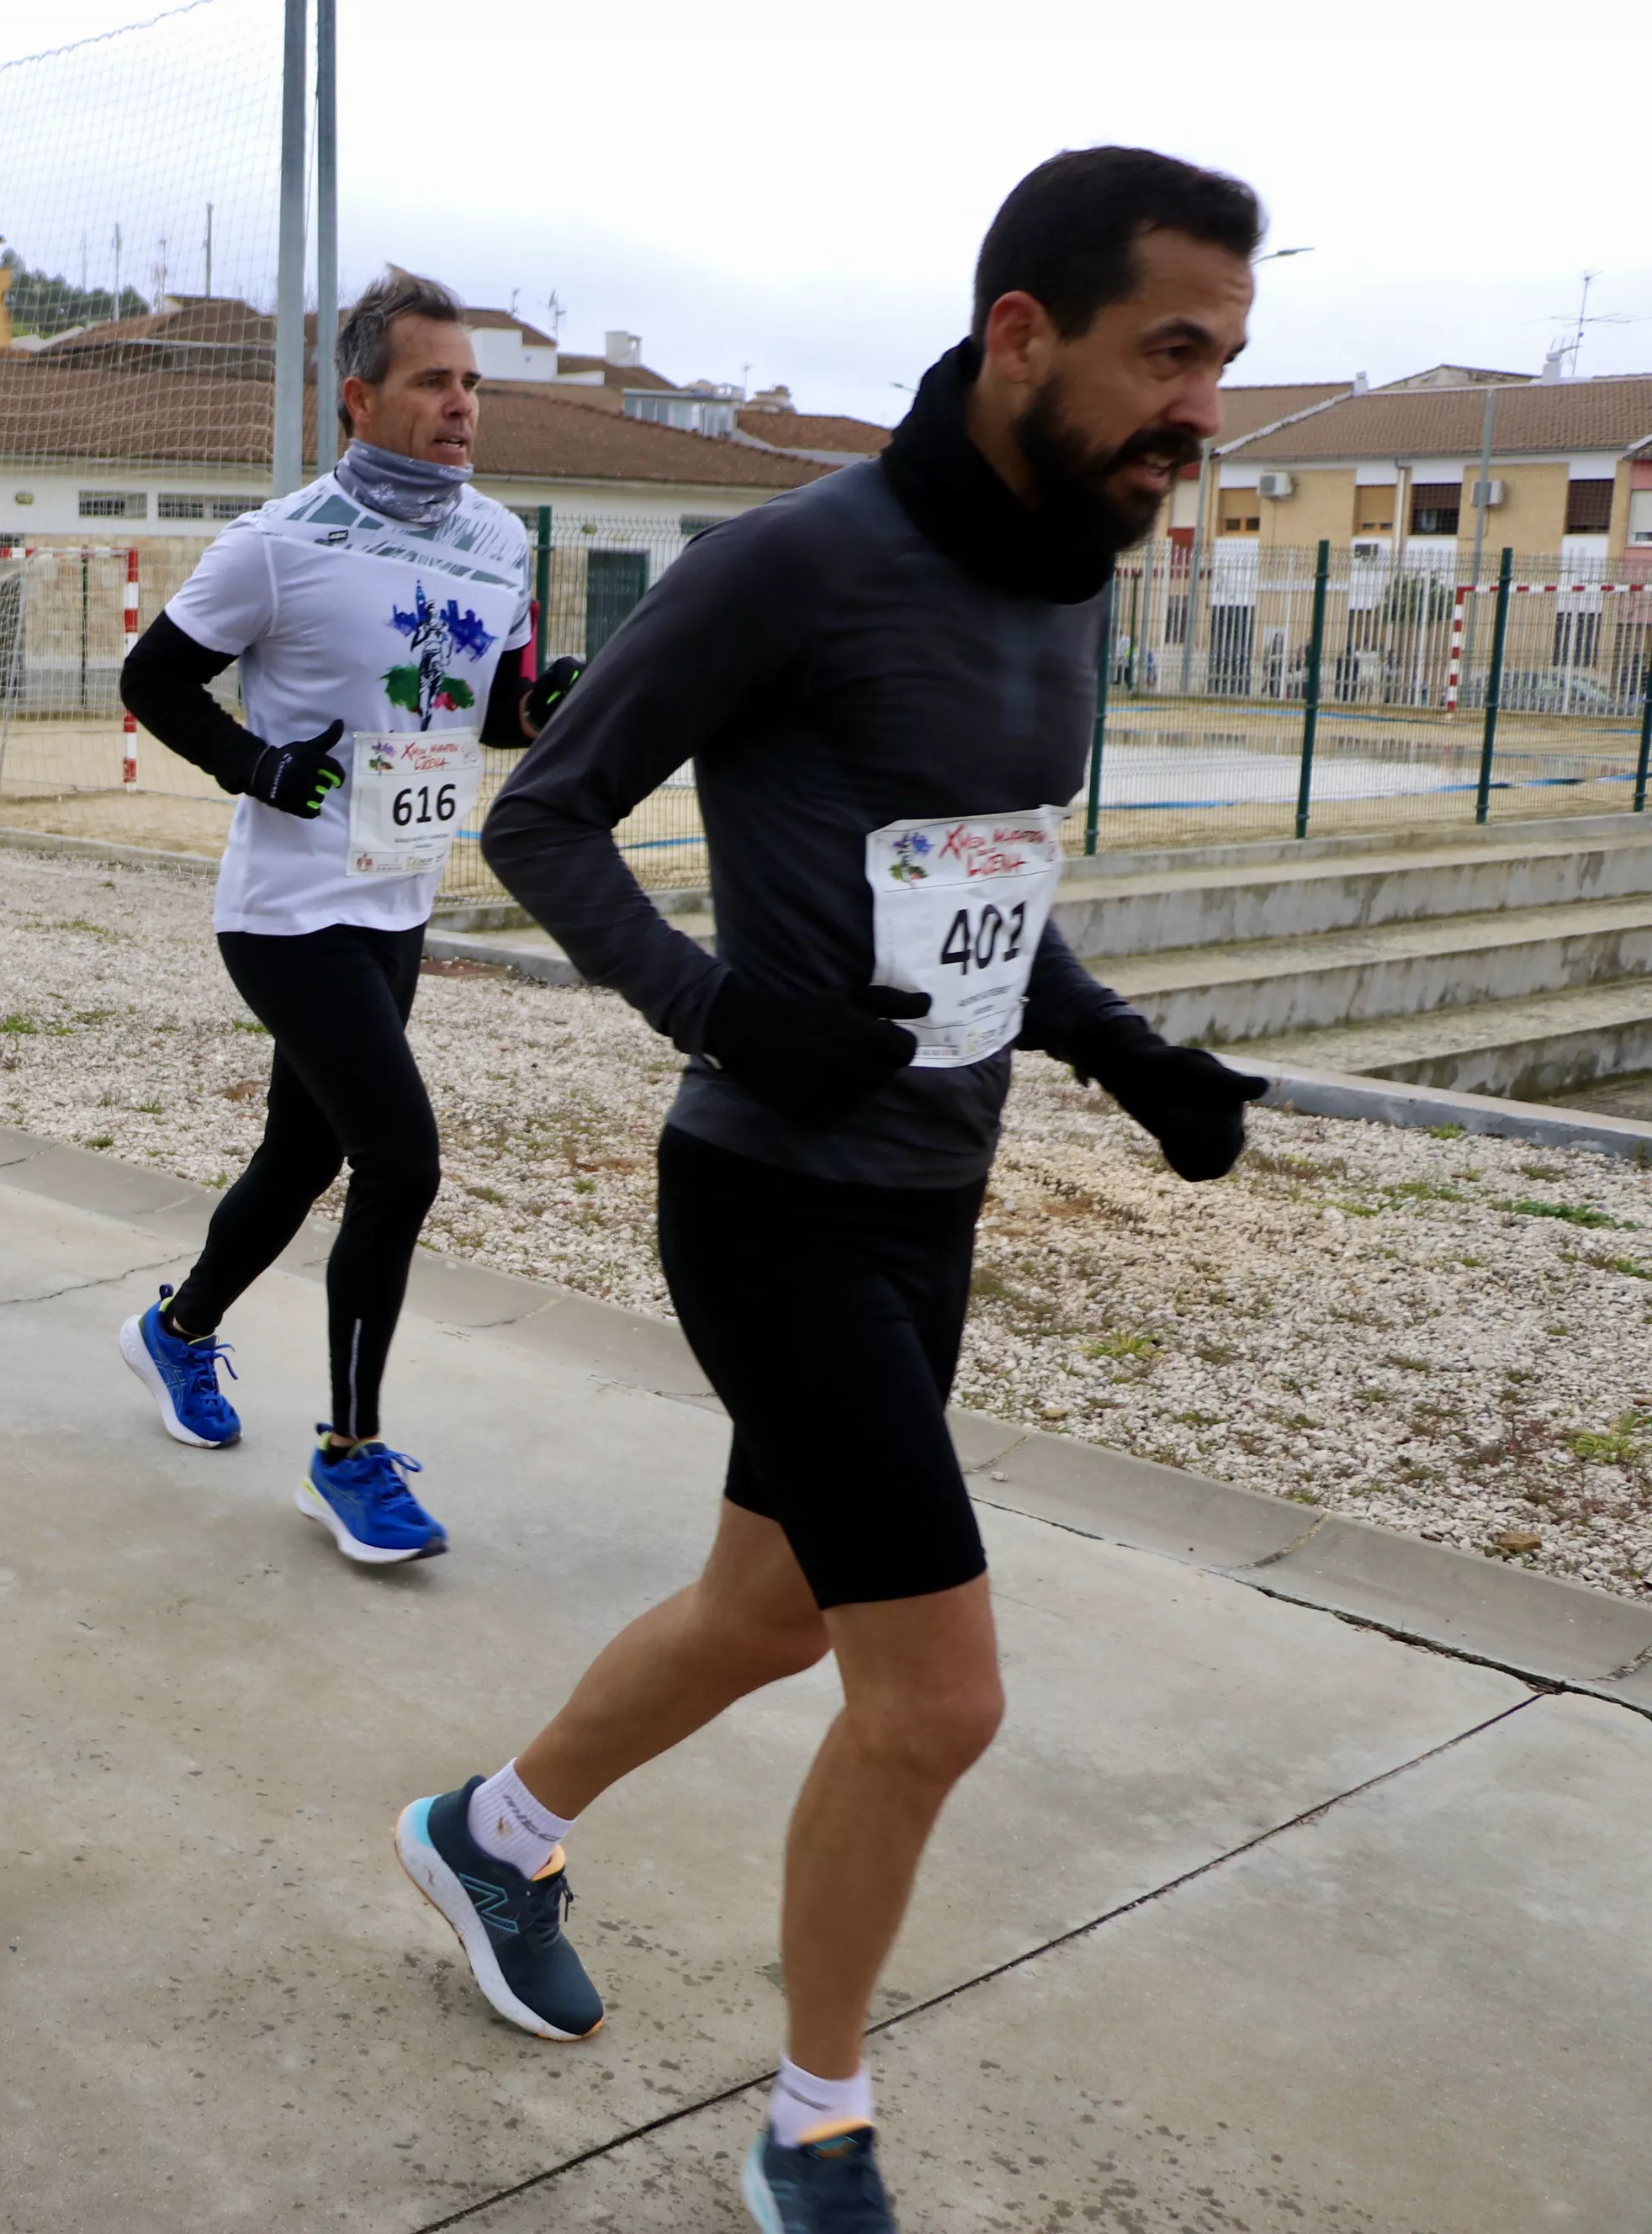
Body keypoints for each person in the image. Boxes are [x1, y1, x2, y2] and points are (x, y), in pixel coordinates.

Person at [404, 149, 1273, 2231]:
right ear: (1020, 337)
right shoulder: (799, 559)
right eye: (1174, 351)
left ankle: (490, 1831)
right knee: (937, 1694)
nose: (1205, 409)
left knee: (768, 1610)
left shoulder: (1063, 580)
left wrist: (1118, 1046)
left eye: (1228, 362)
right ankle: (811, 2129)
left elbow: (983, 887)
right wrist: (720, 1011)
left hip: (928, 1202)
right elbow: (546, 817)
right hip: (773, 1196)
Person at [111, 268, 573, 1565]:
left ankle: (177, 1330)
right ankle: (349, 1454)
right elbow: (153, 676)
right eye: (435, 381)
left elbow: (486, 701)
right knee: (403, 1162)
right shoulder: (278, 540)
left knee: (306, 1155)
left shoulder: (500, 543)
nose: (463, 405)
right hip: (286, 911)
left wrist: (540, 709)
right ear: (362, 398)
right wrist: (255, 765)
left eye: (473, 382)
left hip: (397, 898)